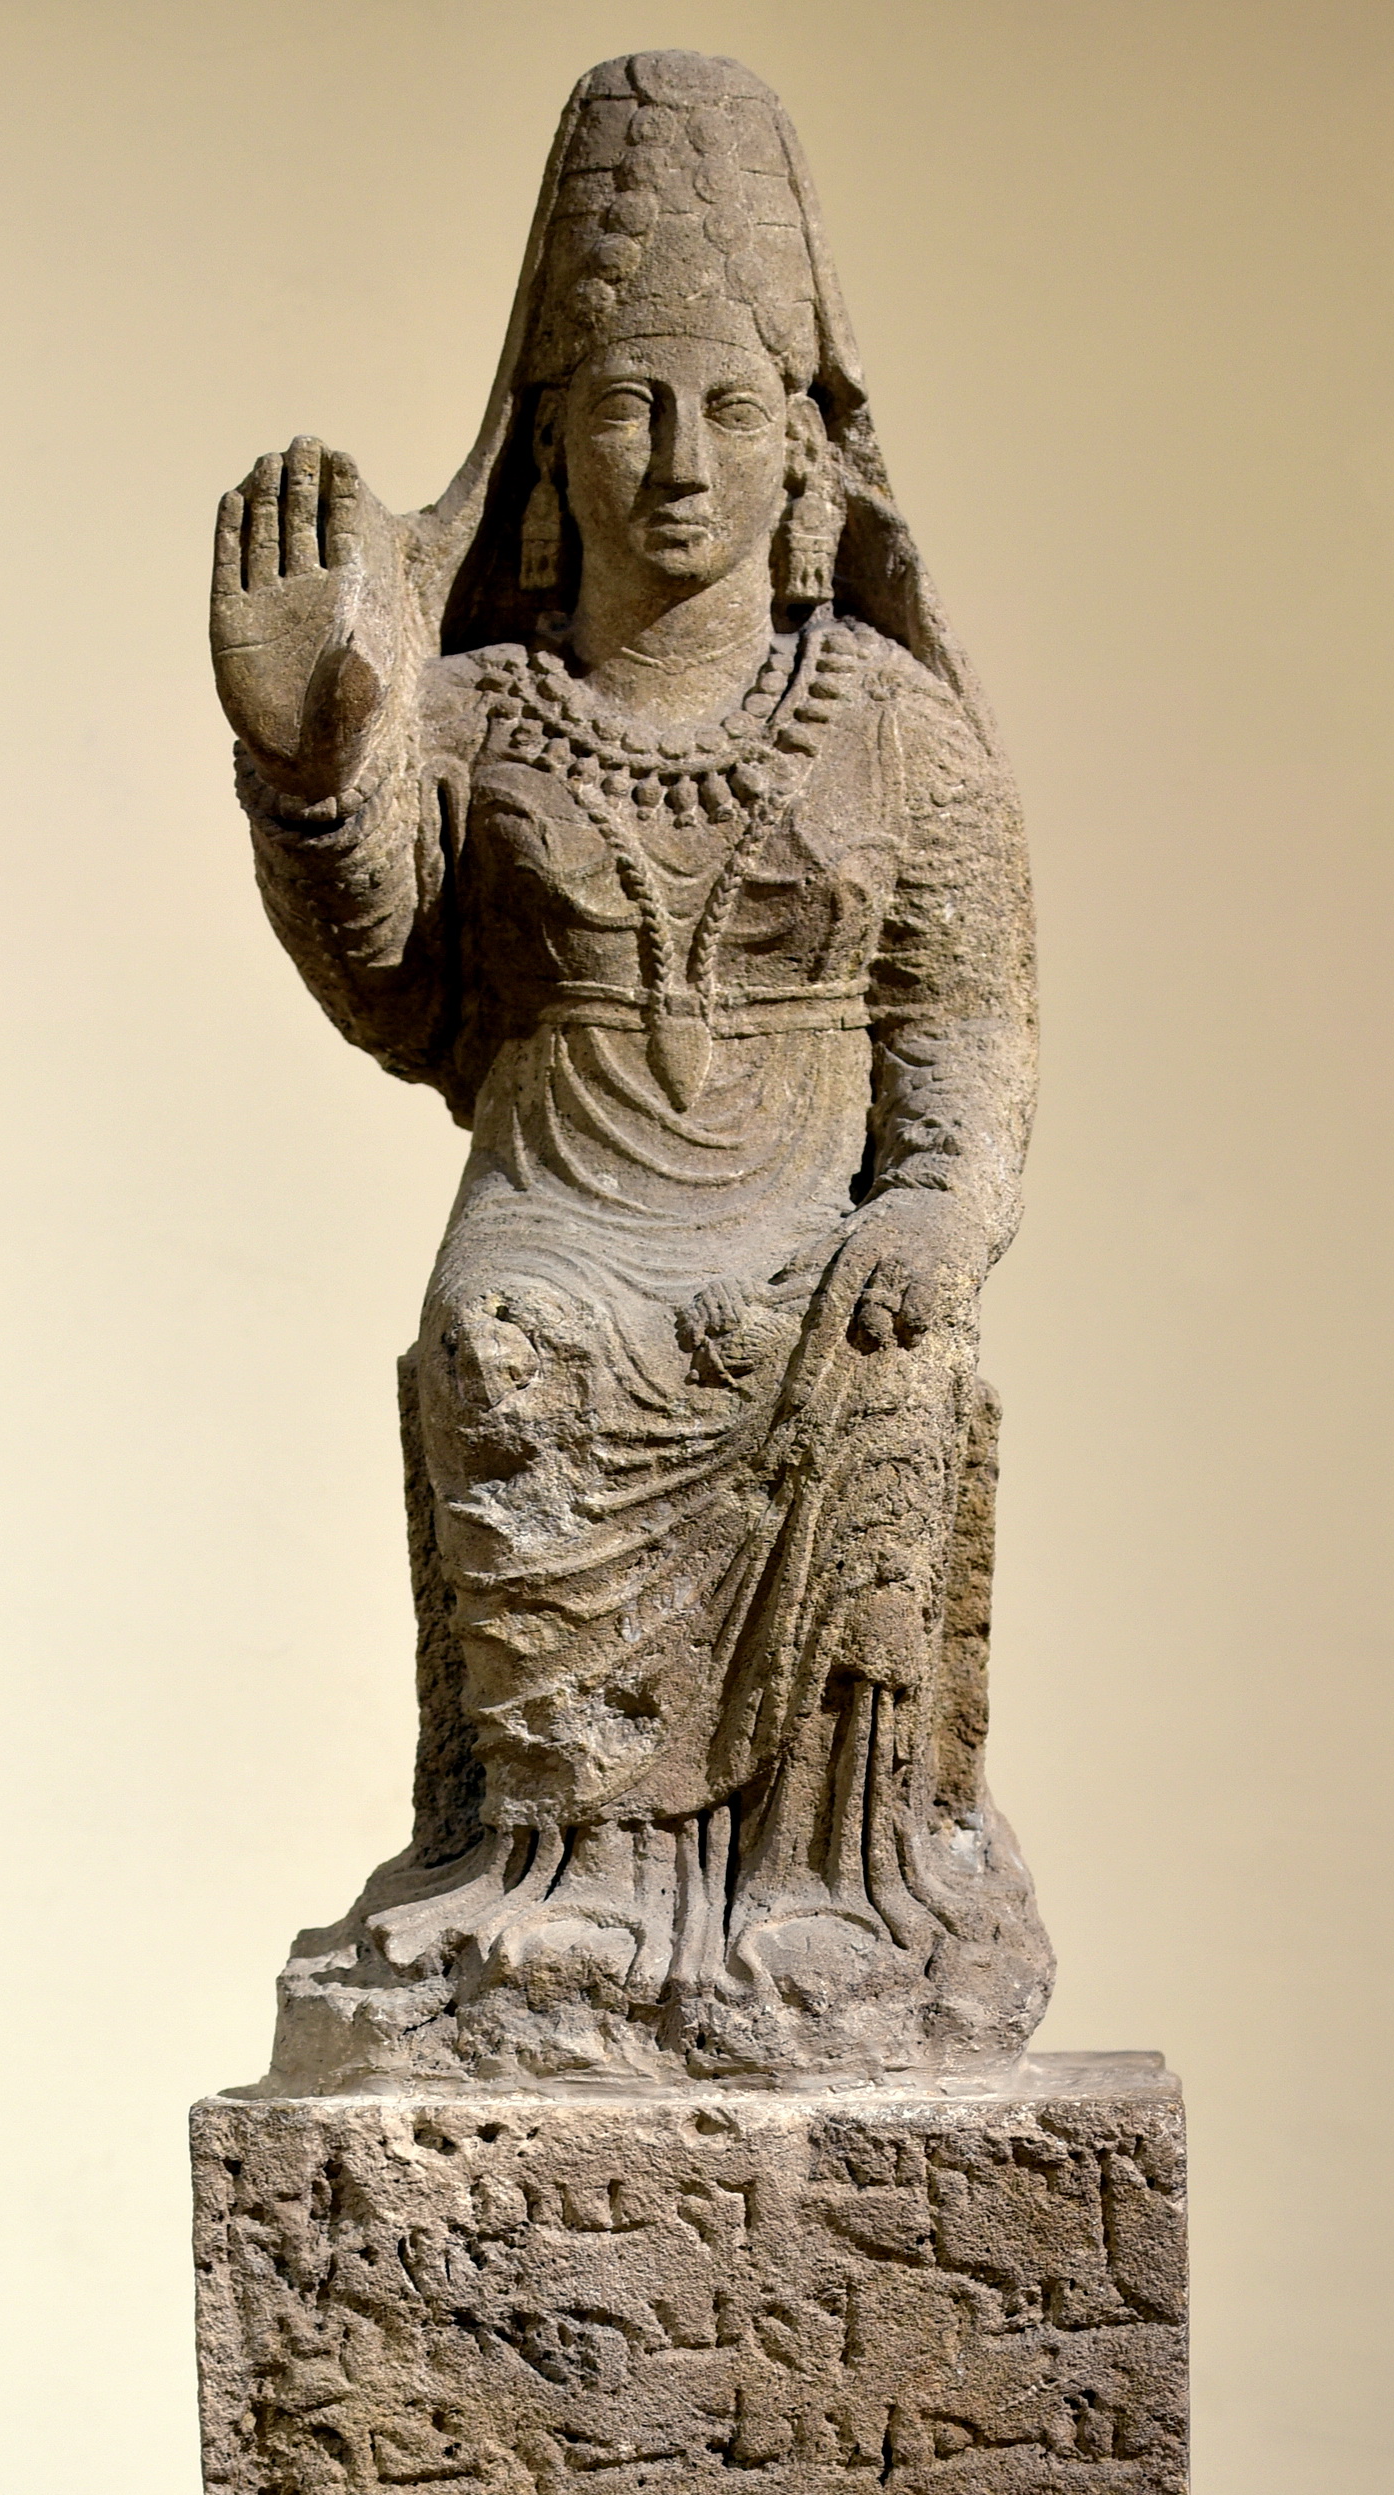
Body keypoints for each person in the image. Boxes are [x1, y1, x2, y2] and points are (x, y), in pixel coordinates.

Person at [213, 50, 1049, 2084]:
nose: (678, 461)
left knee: (890, 1358)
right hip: (562, 1214)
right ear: (549, 437)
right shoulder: (482, 715)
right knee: (504, 1337)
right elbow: (394, 983)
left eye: (730, 408)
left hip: (808, 1231)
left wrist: (937, 1209)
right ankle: (561, 1871)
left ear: (805, 448)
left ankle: (834, 1889)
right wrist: (316, 758)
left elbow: (967, 1033)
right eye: (624, 404)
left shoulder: (895, 730)